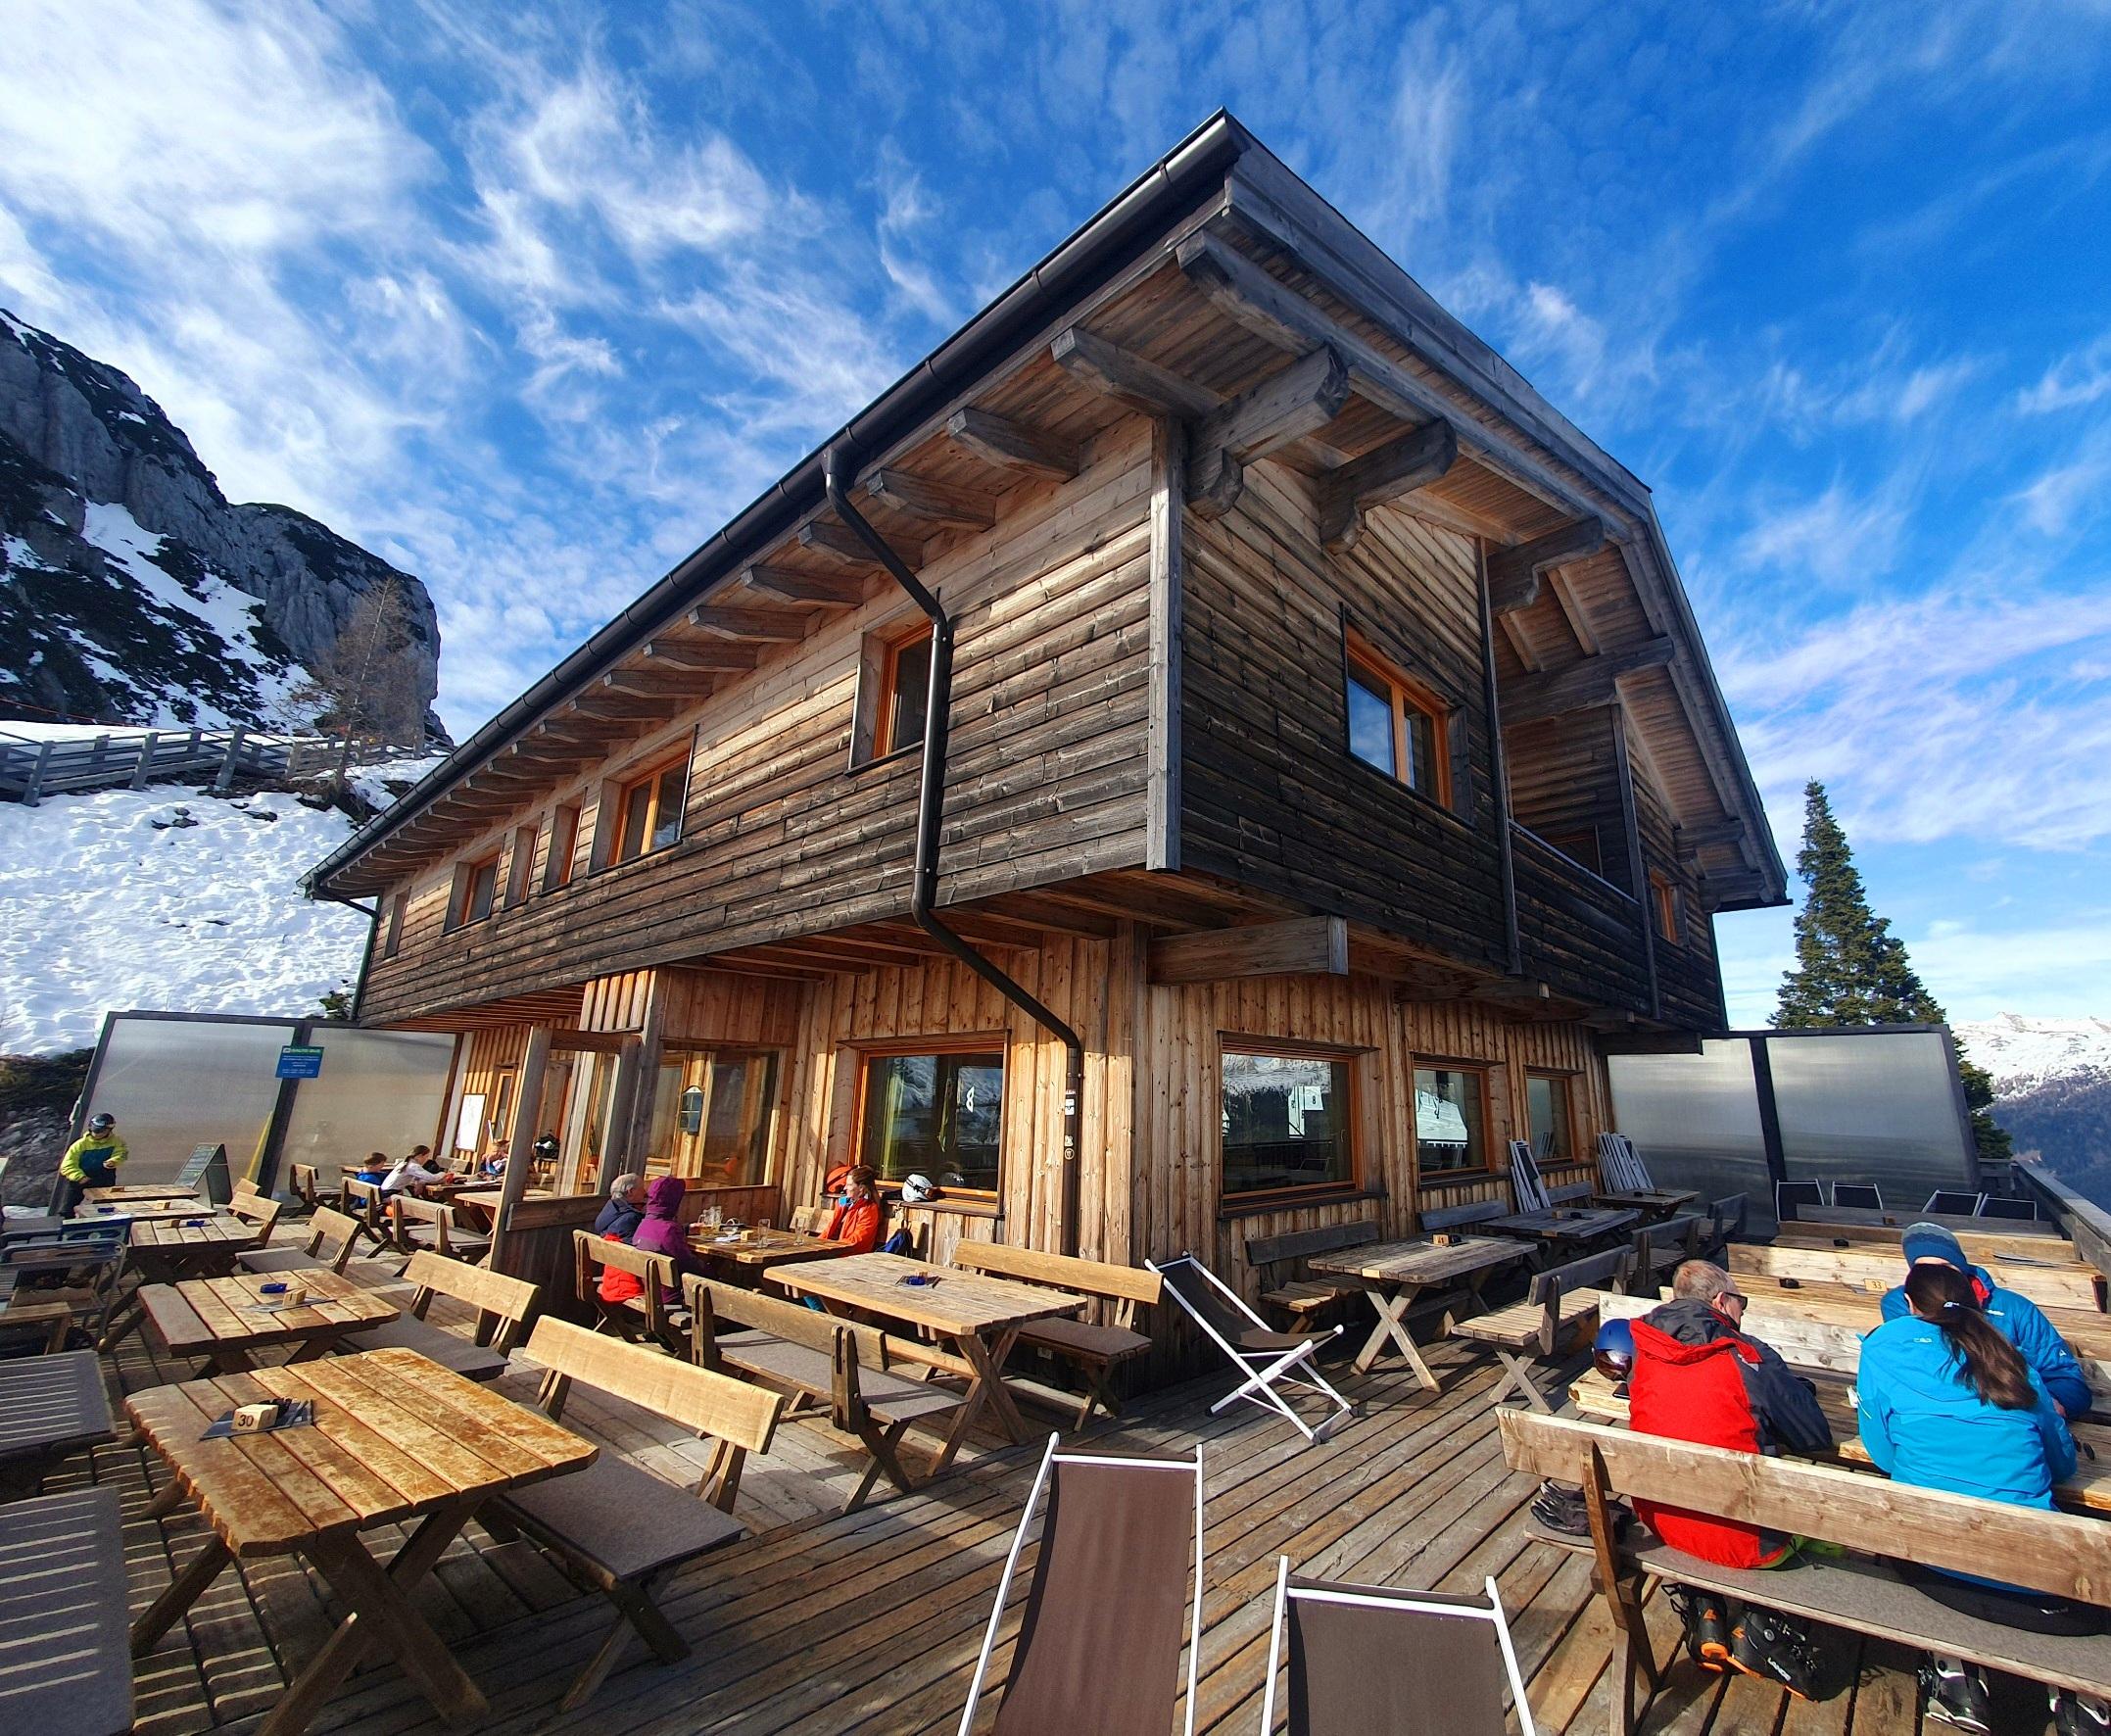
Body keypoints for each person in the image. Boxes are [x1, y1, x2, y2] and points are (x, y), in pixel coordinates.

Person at [1859, 1261, 2102, 1734]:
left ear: (1908, 1306)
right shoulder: (2013, 1364)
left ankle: (1958, 1672)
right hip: (2037, 1583)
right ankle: (2077, 1698)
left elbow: (1883, 1455)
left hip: (1931, 1565)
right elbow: (2063, 1466)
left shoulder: (1882, 1348)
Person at [1627, 1258, 1834, 1697]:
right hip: (1746, 1542)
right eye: (1742, 1302)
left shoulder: (1643, 1348)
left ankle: (1705, 1609)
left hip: (1663, 1523)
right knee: (1828, 1516)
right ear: (1722, 1302)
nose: (1744, 1312)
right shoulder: (1747, 1356)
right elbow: (1814, 1436)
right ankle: (1767, 1622)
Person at [1881, 1221, 2091, 1422]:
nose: (1938, 1280)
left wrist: (2050, 1404)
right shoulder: (1897, 1305)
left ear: (1962, 1270)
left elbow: (2066, 1379)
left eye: (1946, 1269)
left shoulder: (2014, 1309)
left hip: (2014, 1414)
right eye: (1923, 1272)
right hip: (1937, 1422)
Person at [56, 1112, 128, 1216]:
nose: (97, 1134)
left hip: (104, 1178)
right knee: (68, 1208)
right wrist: (79, 1177)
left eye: (101, 1131)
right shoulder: (80, 1145)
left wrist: (113, 1161)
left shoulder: (116, 1141)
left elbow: (121, 1153)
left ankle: (103, 1227)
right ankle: (67, 1227)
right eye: (96, 1131)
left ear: (109, 1130)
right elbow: (67, 1165)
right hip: (80, 1180)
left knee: (104, 1207)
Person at [821, 1165, 883, 1255]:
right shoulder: (843, 1203)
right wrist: (816, 1243)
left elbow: (857, 1240)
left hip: (852, 1256)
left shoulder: (869, 1209)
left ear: (861, 1188)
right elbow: (829, 1229)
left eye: (849, 1185)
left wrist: (834, 1247)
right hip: (836, 1250)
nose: (845, 1188)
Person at [595, 1173, 648, 1239]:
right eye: (642, 1188)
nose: (645, 1192)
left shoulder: (610, 1209)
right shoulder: (631, 1218)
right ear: (630, 1192)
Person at [381, 1145, 448, 1196]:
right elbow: (432, 1178)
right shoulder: (413, 1166)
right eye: (426, 1156)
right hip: (390, 1194)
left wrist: (421, 1181)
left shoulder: (404, 1163)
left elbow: (416, 1178)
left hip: (385, 1192)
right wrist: (443, 1173)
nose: (426, 1159)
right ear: (419, 1156)